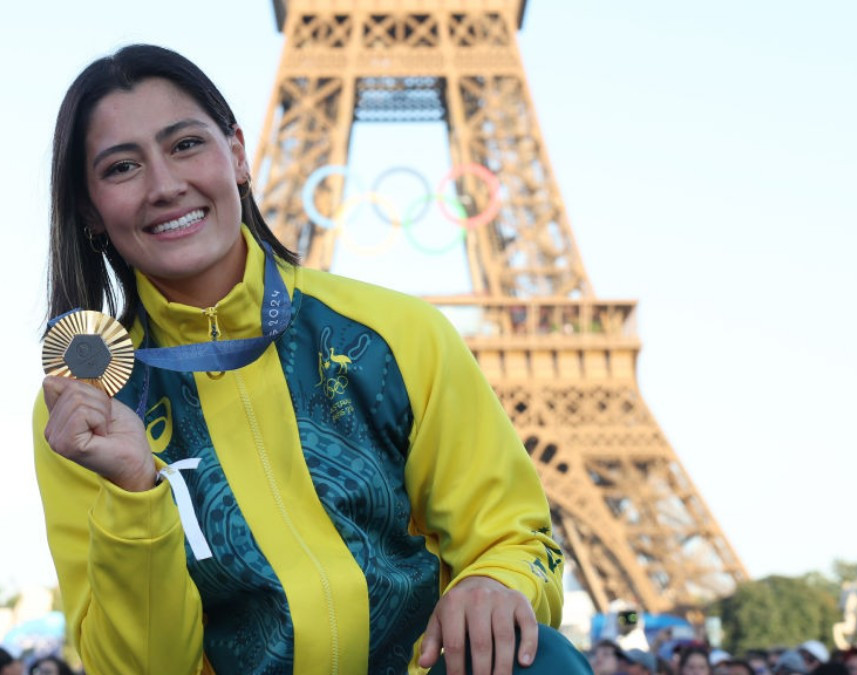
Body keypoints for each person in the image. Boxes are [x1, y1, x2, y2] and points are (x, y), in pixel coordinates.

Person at [33, 43, 587, 675]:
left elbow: (513, 537)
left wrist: (498, 580)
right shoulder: (89, 413)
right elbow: (137, 669)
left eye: (185, 145)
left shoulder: (400, 334)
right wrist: (135, 493)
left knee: (543, 661)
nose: (164, 185)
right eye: (122, 168)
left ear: (236, 153)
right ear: (89, 210)